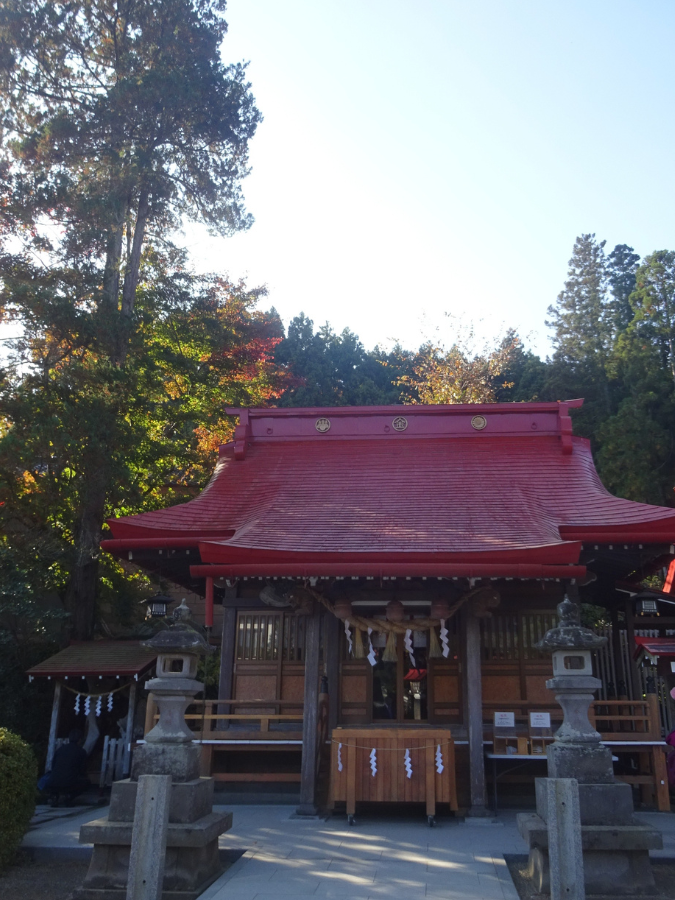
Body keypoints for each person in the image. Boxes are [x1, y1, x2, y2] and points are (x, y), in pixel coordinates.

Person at [42, 729, 91, 806]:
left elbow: (53, 766)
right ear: (80, 740)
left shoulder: (60, 750)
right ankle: (68, 797)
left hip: (52, 782)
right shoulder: (81, 752)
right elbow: (82, 769)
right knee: (86, 783)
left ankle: (54, 796)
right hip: (69, 783)